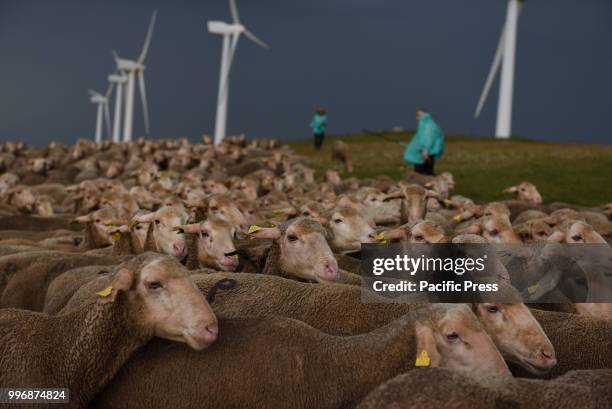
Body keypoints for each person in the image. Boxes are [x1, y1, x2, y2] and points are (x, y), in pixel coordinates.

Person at [403, 108, 445, 175]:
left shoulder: (428, 125)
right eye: (416, 115)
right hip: (424, 153)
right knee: (423, 173)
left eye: (418, 115)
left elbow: (428, 138)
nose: (417, 118)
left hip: (425, 154)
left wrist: (425, 150)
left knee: (424, 174)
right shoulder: (429, 124)